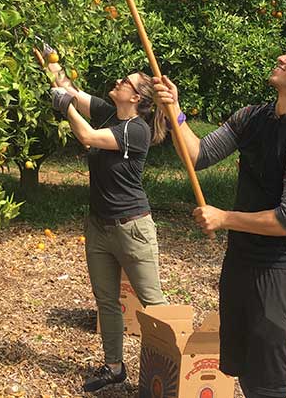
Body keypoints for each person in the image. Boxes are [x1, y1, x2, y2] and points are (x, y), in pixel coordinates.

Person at [152, 28, 286, 398]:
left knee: (271, 384)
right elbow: (198, 155)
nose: (283, 57)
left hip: (278, 274)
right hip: (240, 262)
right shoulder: (252, 117)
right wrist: (175, 111)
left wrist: (224, 218)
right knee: (247, 372)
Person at [47, 55, 169, 392]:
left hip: (132, 230)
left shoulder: (137, 130)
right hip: (99, 226)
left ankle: (174, 370)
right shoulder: (108, 113)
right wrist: (47, 58)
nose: (118, 82)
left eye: (126, 82)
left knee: (153, 303)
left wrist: (66, 109)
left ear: (137, 98)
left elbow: (86, 137)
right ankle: (114, 367)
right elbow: (69, 88)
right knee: (106, 302)